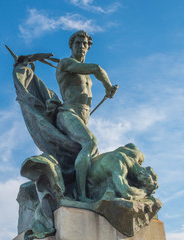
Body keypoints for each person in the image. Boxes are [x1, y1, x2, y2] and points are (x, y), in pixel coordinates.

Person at [55, 30, 114, 202]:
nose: (81, 46)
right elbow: (97, 68)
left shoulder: (88, 75)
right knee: (90, 143)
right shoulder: (66, 63)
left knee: (91, 154)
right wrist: (108, 86)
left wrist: (108, 91)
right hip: (68, 113)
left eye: (84, 44)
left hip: (83, 116)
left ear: (88, 47)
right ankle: (81, 196)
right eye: (77, 43)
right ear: (71, 46)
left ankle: (90, 189)